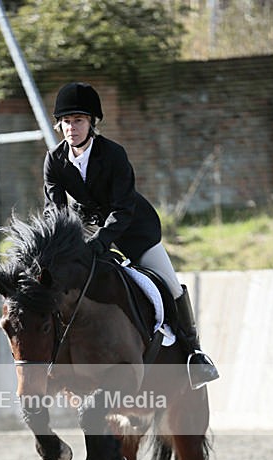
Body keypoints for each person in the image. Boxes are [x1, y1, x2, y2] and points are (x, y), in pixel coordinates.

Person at [43, 81, 219, 388]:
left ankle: (194, 355)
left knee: (170, 284)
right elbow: (54, 210)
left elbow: (123, 208)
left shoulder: (113, 154)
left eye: (79, 121)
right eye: (67, 122)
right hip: (88, 231)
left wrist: (100, 241)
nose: (72, 128)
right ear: (59, 125)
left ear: (91, 122)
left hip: (135, 230)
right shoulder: (54, 160)